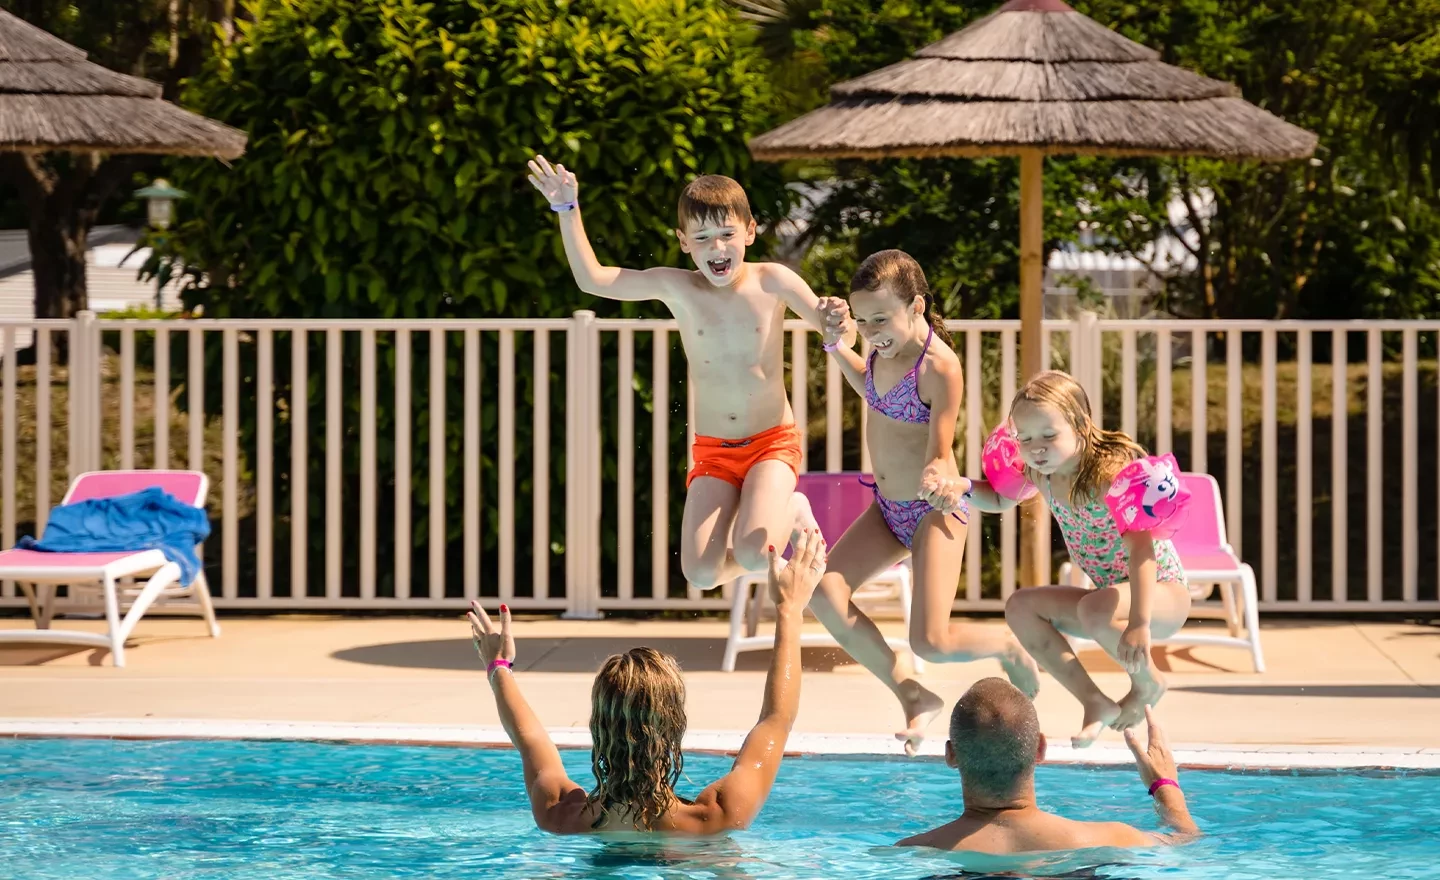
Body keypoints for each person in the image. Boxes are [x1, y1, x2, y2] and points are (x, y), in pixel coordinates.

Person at [527, 155, 830, 590]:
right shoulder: (678, 287)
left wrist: (837, 318)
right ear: (684, 242)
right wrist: (567, 209)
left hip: (771, 443)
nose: (717, 248)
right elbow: (593, 280)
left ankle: (794, 507)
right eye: (702, 238)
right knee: (701, 574)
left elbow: (833, 329)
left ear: (749, 231)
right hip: (714, 451)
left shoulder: (773, 281)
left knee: (753, 551)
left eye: (727, 234)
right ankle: (769, 532)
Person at [814, 250, 1038, 756]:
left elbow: (940, 448)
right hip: (887, 510)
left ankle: (1007, 646)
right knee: (824, 594)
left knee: (930, 642)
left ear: (916, 306)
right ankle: (912, 694)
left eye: (880, 319)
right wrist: (835, 344)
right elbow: (870, 388)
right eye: (862, 321)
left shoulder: (938, 367)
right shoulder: (882, 347)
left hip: (933, 511)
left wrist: (938, 473)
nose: (871, 331)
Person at [468, 529, 828, 834]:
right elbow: (776, 720)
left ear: (599, 724)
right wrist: (789, 608)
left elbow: (531, 742)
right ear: (674, 725)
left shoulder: (561, 815)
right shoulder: (716, 816)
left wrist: (499, 665)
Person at [955, 370, 1192, 747]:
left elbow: (1142, 552)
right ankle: (1094, 701)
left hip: (1161, 595)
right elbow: (1000, 499)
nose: (1036, 448)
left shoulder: (1108, 476)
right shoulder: (1041, 474)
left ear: (1081, 425)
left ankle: (1148, 682)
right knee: (1020, 607)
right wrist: (961, 488)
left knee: (1094, 608)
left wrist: (1139, 622)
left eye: (1049, 436)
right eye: (1025, 438)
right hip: (1107, 601)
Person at [897, 678, 1200, 853]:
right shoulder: (1112, 839)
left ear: (951, 755)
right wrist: (1165, 788)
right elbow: (1187, 841)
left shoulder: (913, 852)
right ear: (1040, 748)